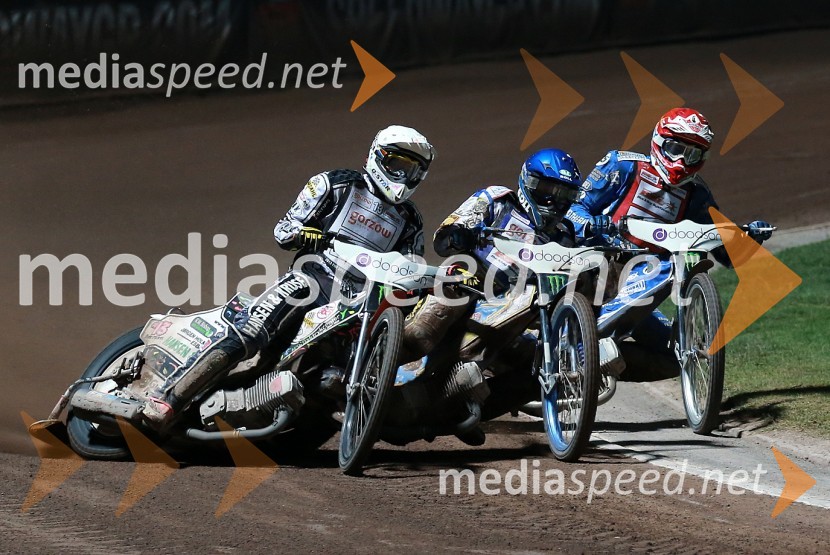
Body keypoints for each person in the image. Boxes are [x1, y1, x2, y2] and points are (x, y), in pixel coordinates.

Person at [139, 125, 436, 429]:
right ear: (378, 157)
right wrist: (305, 234)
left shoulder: (410, 221)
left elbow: (409, 269)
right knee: (251, 332)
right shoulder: (335, 184)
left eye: (413, 170)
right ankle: (168, 398)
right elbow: (284, 230)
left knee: (348, 370)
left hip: (356, 306)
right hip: (311, 281)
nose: (403, 175)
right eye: (398, 164)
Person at [565, 107, 773, 380]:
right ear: (659, 141)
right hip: (598, 269)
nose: (681, 161)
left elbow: (726, 253)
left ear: (702, 158)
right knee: (666, 266)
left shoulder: (697, 194)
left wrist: (745, 239)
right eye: (675, 149)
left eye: (692, 154)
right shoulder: (622, 165)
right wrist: (593, 224)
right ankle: (581, 343)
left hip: (646, 280)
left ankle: (595, 365)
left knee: (676, 356)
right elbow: (572, 209)